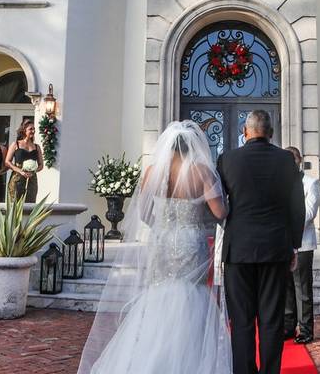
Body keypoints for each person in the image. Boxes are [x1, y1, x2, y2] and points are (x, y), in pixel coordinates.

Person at [76, 121, 231, 374]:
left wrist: (164, 224)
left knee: (160, 294)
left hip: (162, 239)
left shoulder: (152, 172)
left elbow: (145, 214)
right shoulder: (202, 171)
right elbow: (219, 212)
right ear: (193, 147)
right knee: (193, 295)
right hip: (191, 240)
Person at [220, 110, 305, 374]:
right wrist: (294, 244)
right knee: (271, 320)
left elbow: (220, 206)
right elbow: (297, 207)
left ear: (245, 132)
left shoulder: (227, 160)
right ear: (271, 133)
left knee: (242, 320)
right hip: (275, 247)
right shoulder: (286, 160)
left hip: (239, 250)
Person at [283, 146, 320, 345]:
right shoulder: (280, 183)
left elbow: (310, 212)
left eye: (293, 159)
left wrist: (286, 224)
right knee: (287, 287)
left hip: (303, 243)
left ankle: (305, 329)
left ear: (299, 160)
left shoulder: (311, 182)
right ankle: (288, 326)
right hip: (283, 243)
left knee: (302, 289)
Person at [4, 120, 42, 203]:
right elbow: (7, 161)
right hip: (17, 178)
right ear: (24, 130)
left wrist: (34, 171)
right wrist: (20, 171)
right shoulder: (16, 144)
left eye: (34, 129)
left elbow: (41, 165)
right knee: (14, 203)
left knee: (30, 203)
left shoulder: (37, 147)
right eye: (31, 129)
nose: (33, 131)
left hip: (31, 179)